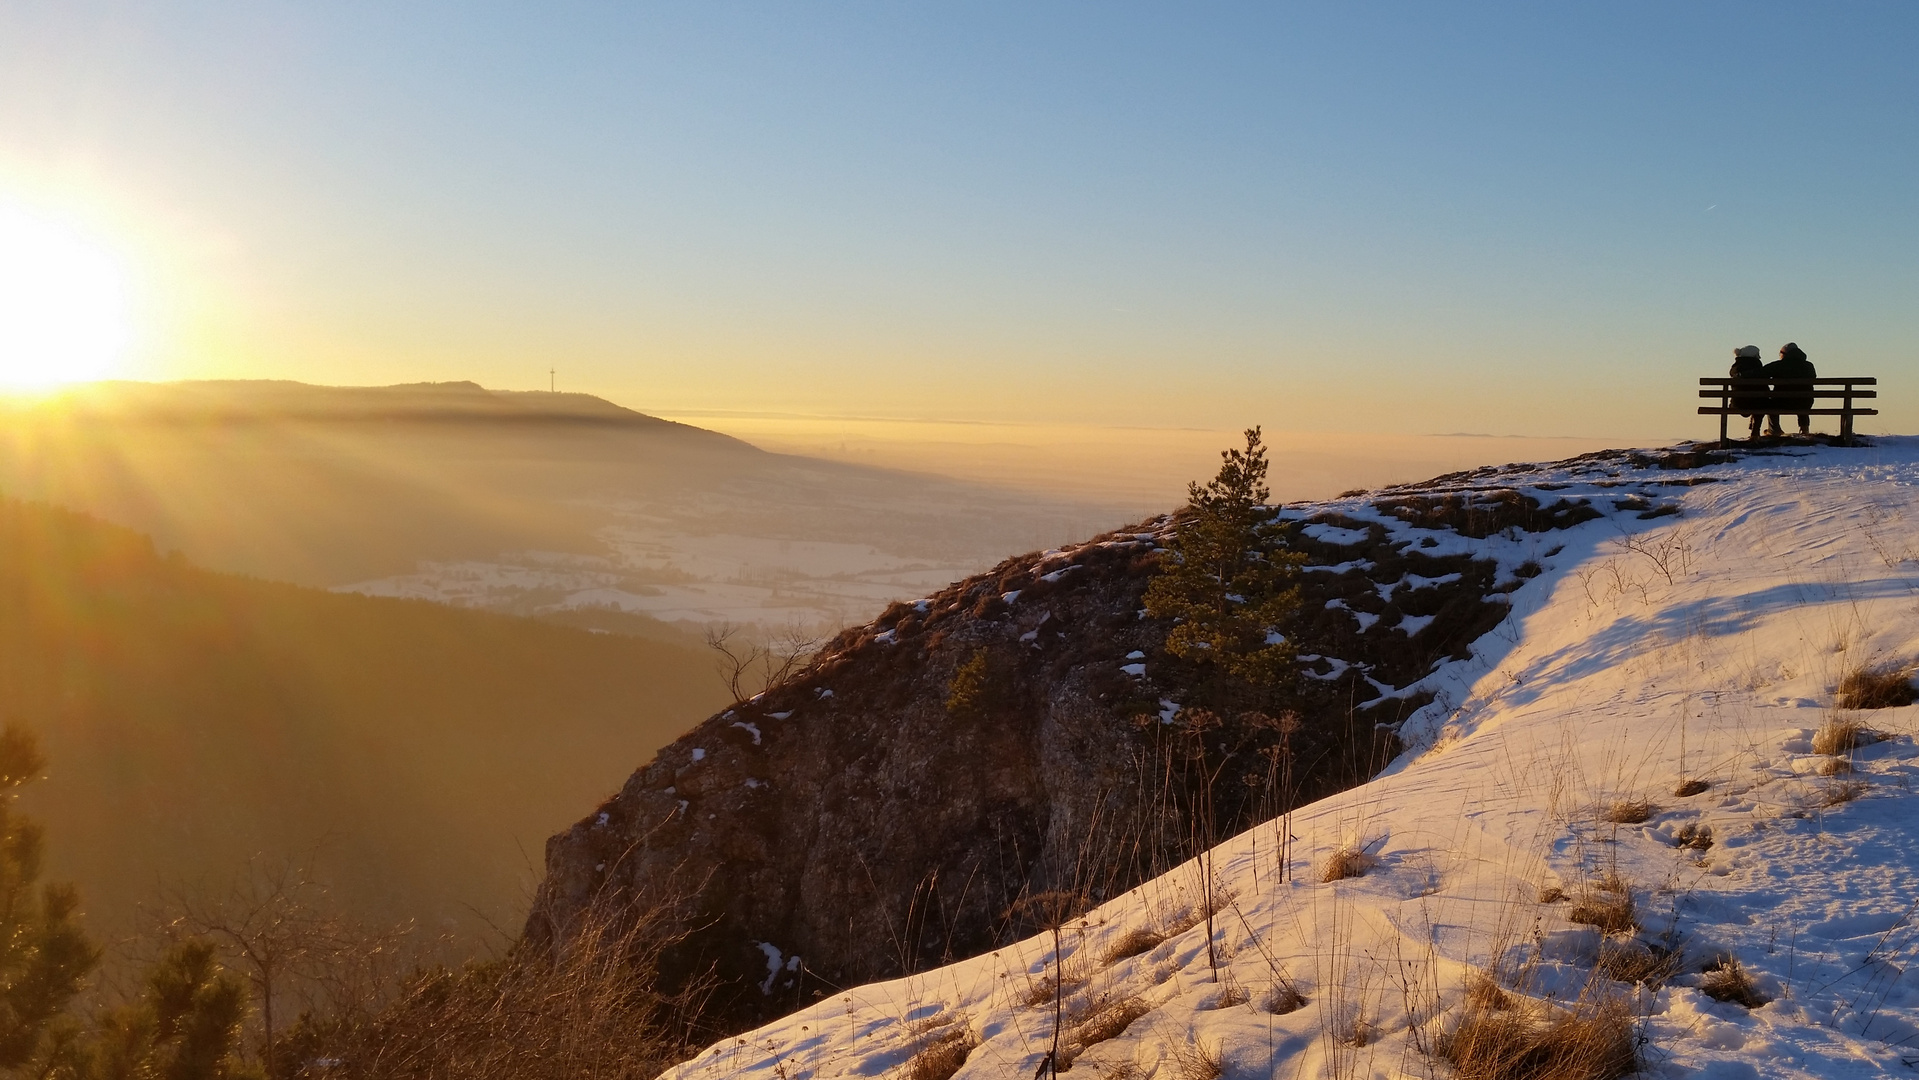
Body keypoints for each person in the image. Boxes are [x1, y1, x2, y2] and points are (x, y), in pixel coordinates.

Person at [1764, 342, 1816, 436]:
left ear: (1784, 354)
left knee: (1769, 403)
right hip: (1804, 402)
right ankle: (1804, 429)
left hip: (1782, 402)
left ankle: (1774, 429)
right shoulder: (1809, 366)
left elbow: (1760, 373)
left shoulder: (1779, 365)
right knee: (1803, 399)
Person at [1728, 345, 1767, 440]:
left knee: (1756, 400)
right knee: (1762, 402)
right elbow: (1764, 388)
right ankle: (1755, 431)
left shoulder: (1734, 369)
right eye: (1757, 355)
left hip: (1737, 404)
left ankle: (1754, 430)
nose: (1759, 357)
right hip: (1756, 404)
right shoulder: (1757, 368)